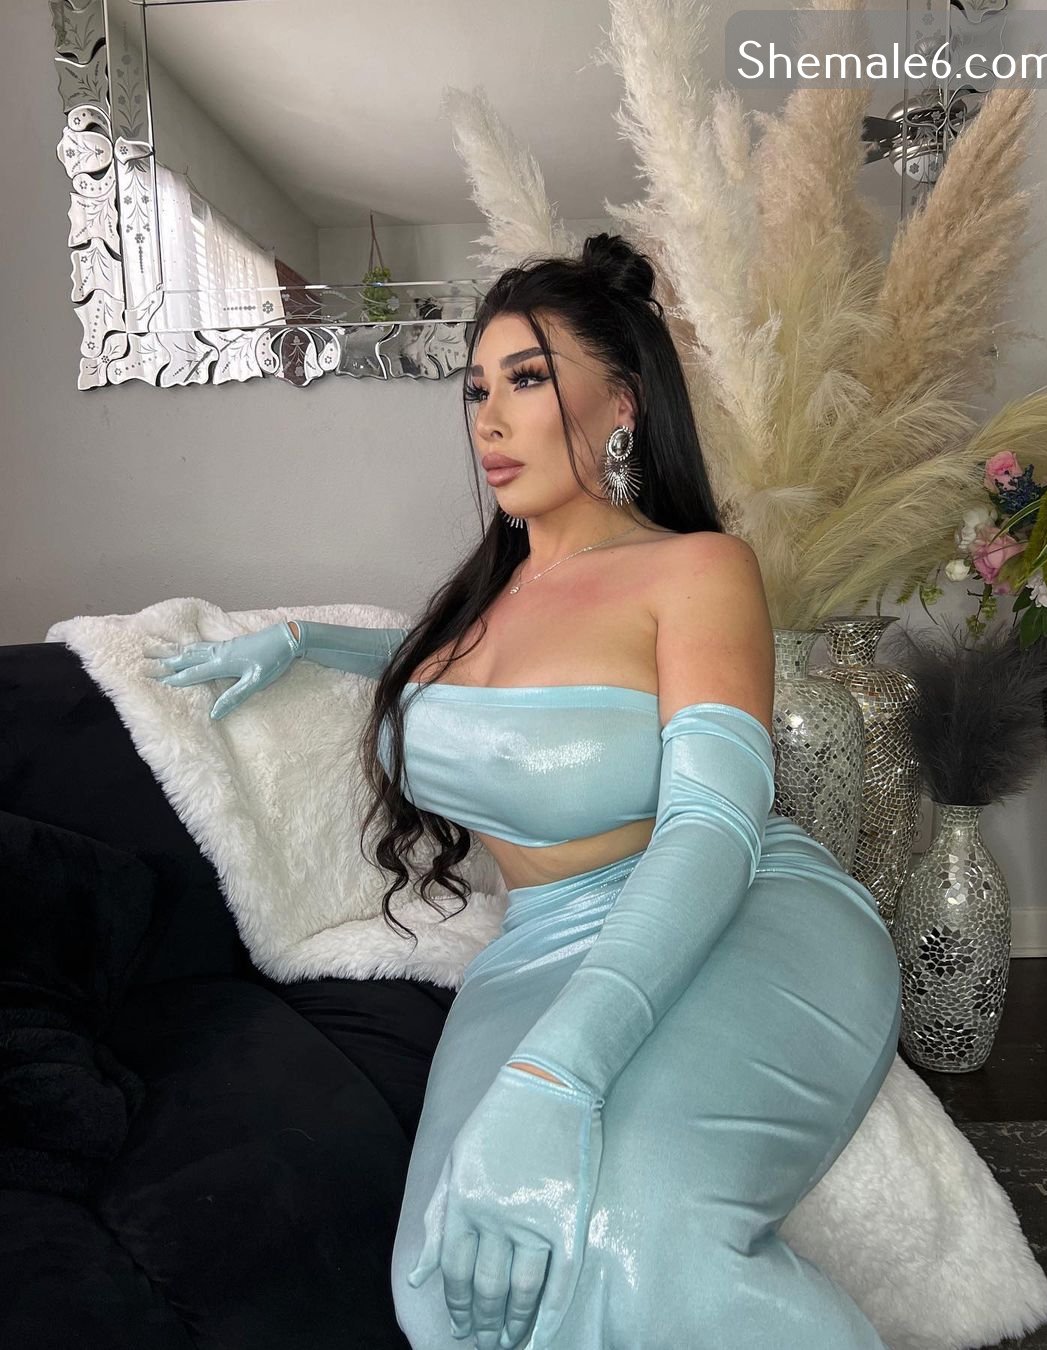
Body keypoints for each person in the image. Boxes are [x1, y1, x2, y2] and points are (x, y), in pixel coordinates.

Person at [148, 234, 902, 1350]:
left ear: (622, 405)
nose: (488, 420)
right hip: (538, 943)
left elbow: (713, 827)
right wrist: (303, 641)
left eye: (528, 380)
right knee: (448, 1287)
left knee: (636, 1232)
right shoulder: (481, 601)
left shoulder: (696, 569)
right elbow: (469, 685)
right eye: (476, 390)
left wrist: (558, 1073)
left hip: (733, 909)